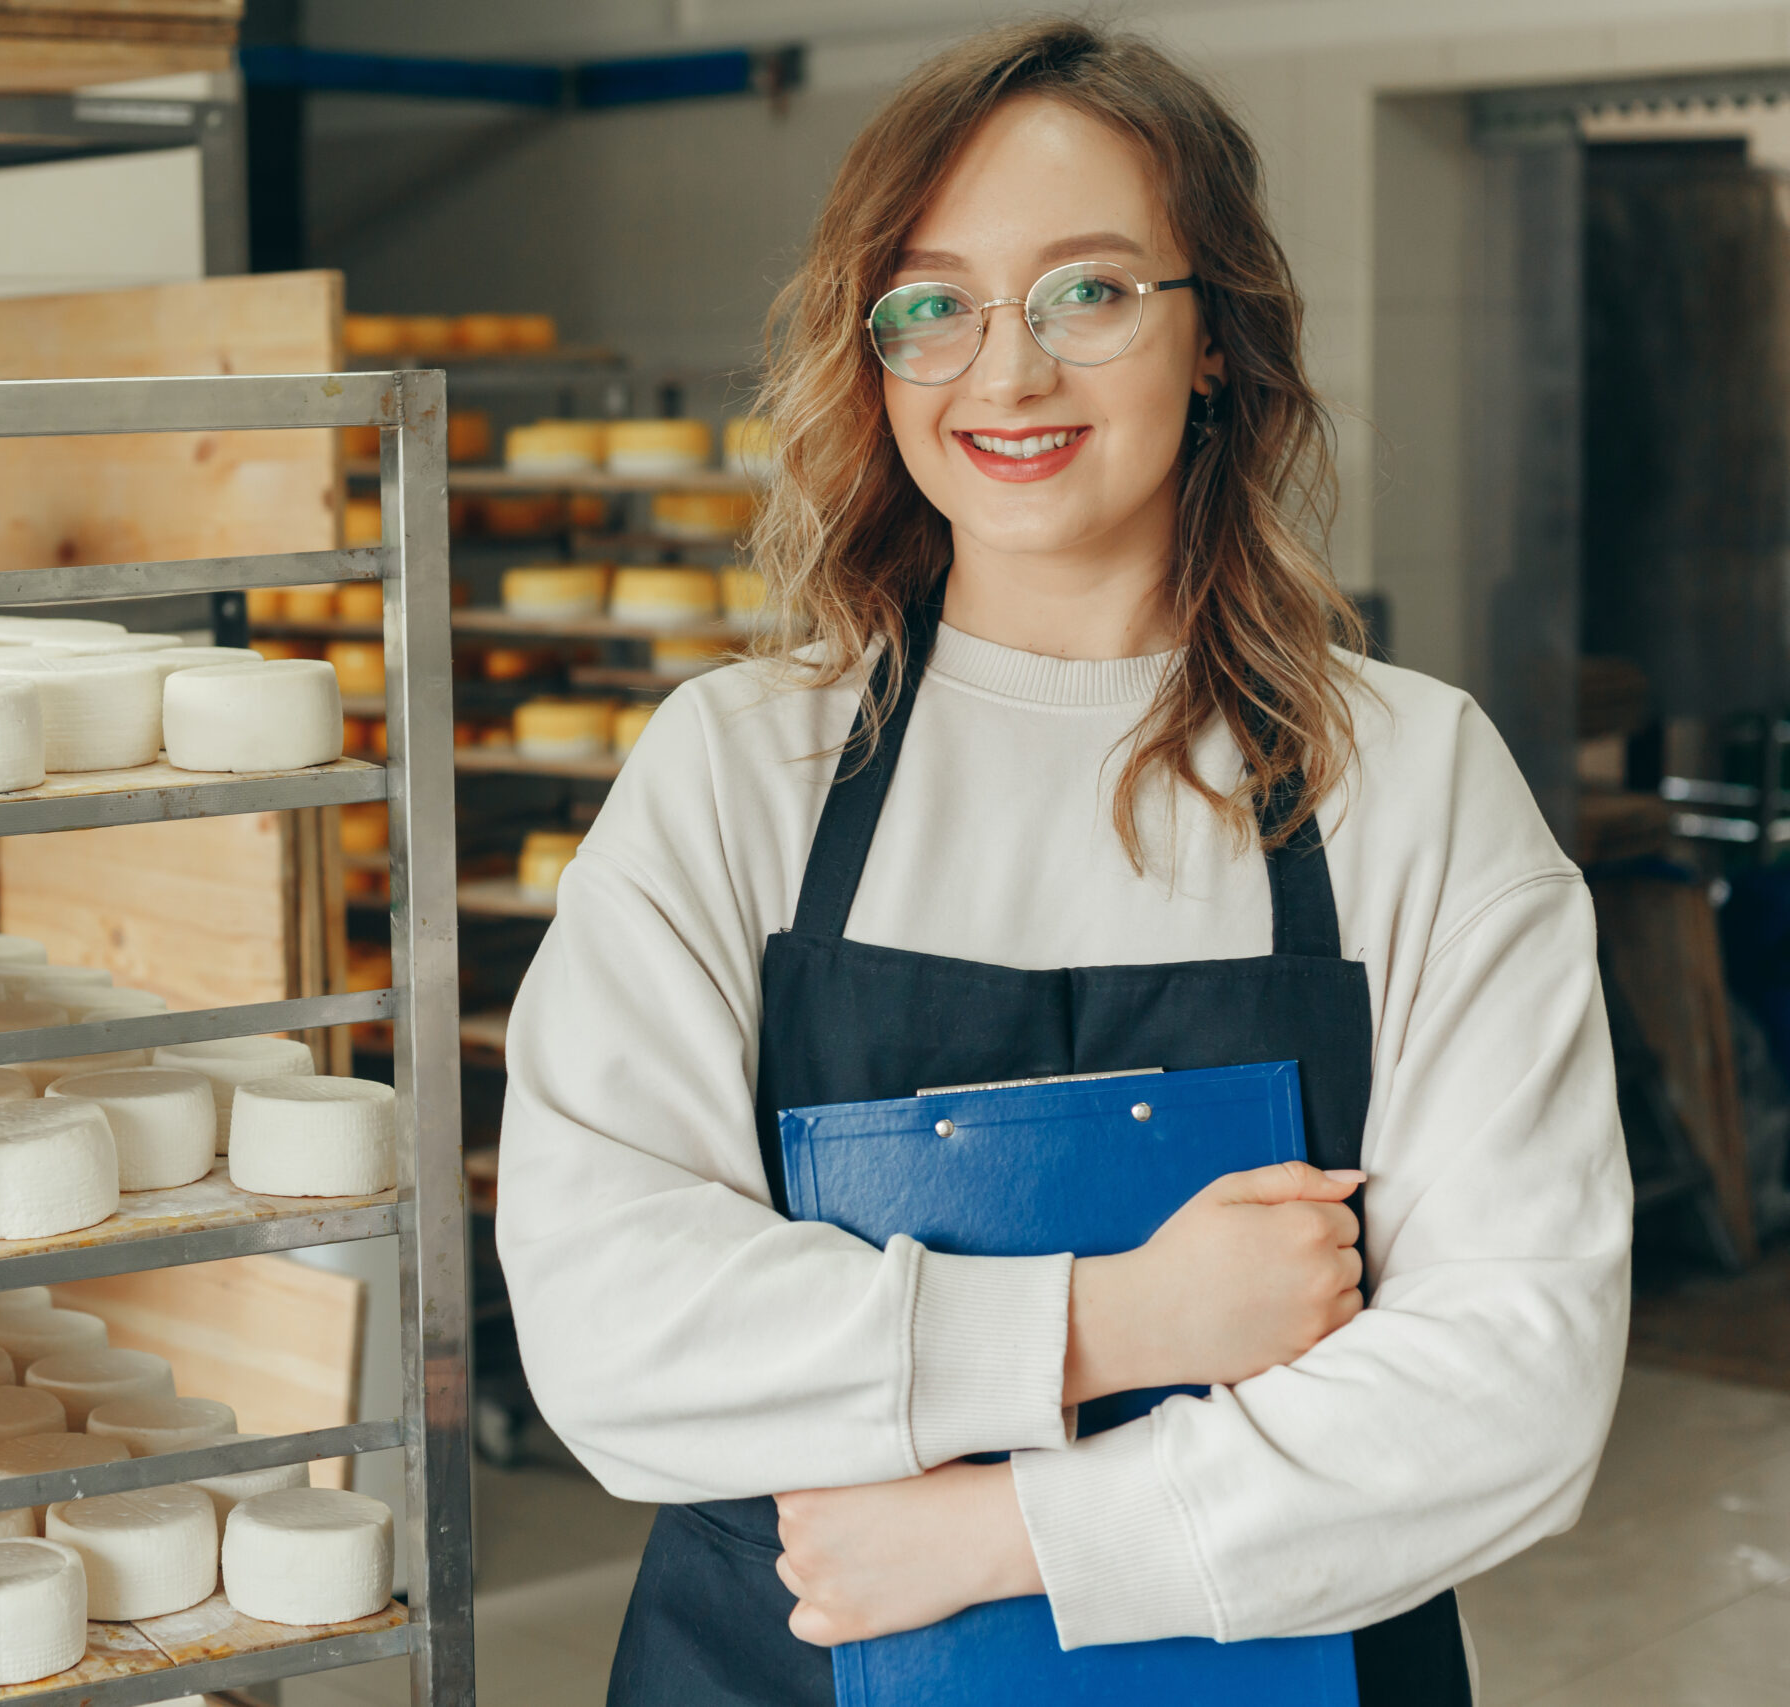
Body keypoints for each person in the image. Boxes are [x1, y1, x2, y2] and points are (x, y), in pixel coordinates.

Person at [494, 20, 1630, 1707]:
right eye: (931, 304)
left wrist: (1014, 1532)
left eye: (1087, 294)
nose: (1003, 374)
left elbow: (1513, 1385)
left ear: (1218, 339)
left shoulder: (1411, 781)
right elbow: (612, 1334)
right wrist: (1114, 1323)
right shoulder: (741, 771)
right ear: (871, 356)